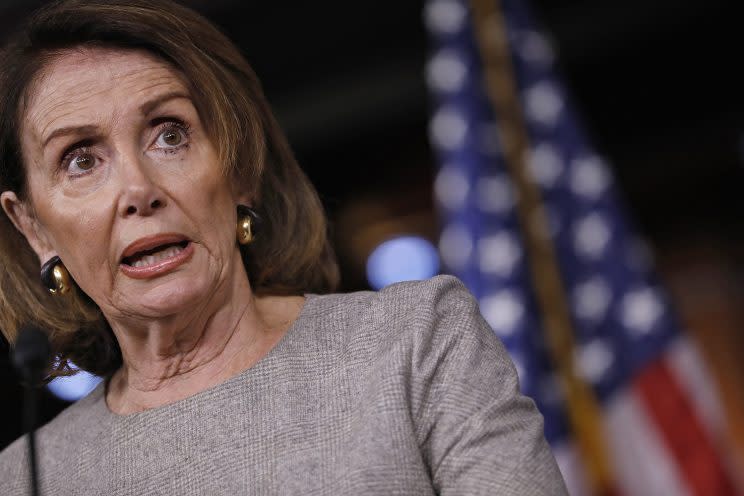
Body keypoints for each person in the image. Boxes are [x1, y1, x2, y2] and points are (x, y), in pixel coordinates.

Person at [0, 1, 568, 494]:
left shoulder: (413, 343)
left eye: (170, 134)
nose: (139, 190)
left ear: (239, 169)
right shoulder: (25, 479)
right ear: (34, 228)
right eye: (81, 159)